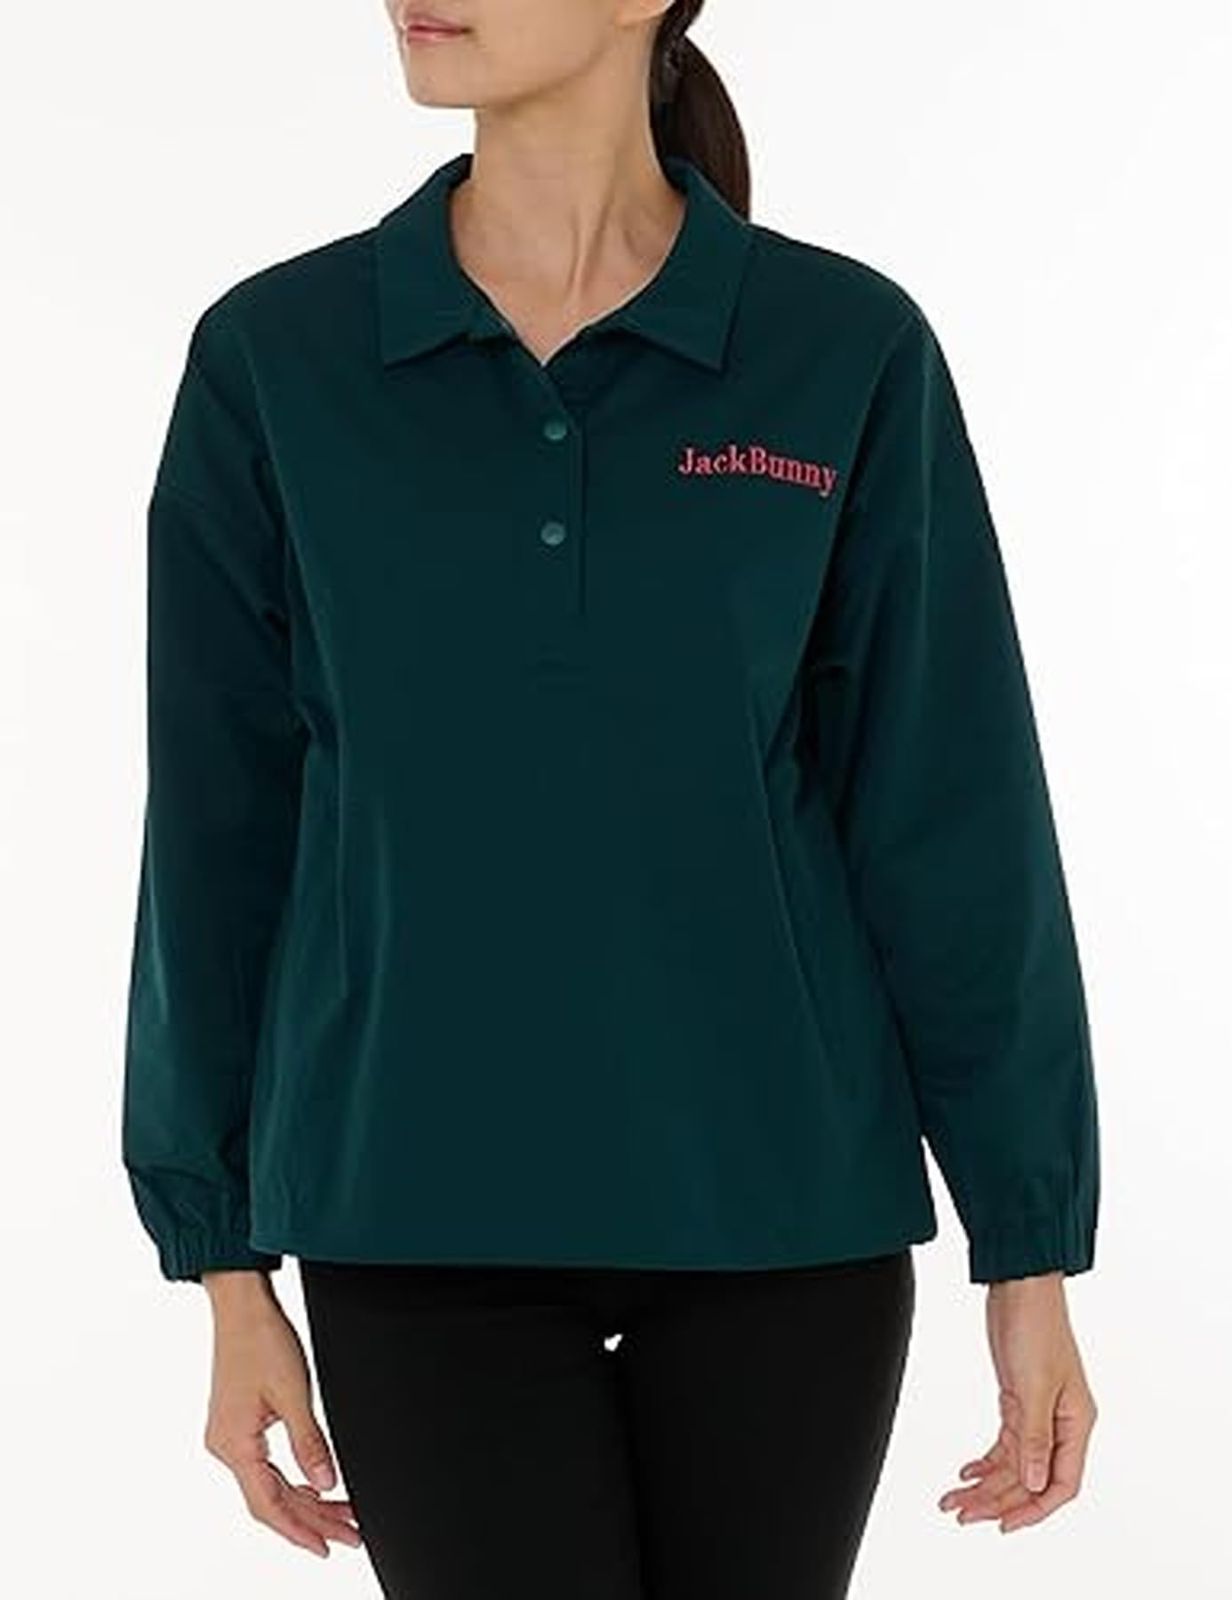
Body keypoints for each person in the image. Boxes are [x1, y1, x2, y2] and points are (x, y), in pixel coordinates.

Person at [120, 1, 1102, 1595]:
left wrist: (1030, 1244)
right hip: (409, 1213)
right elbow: (214, 834)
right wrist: (220, 1260)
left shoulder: (844, 350)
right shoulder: (276, 359)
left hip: (784, 1218)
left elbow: (953, 816)